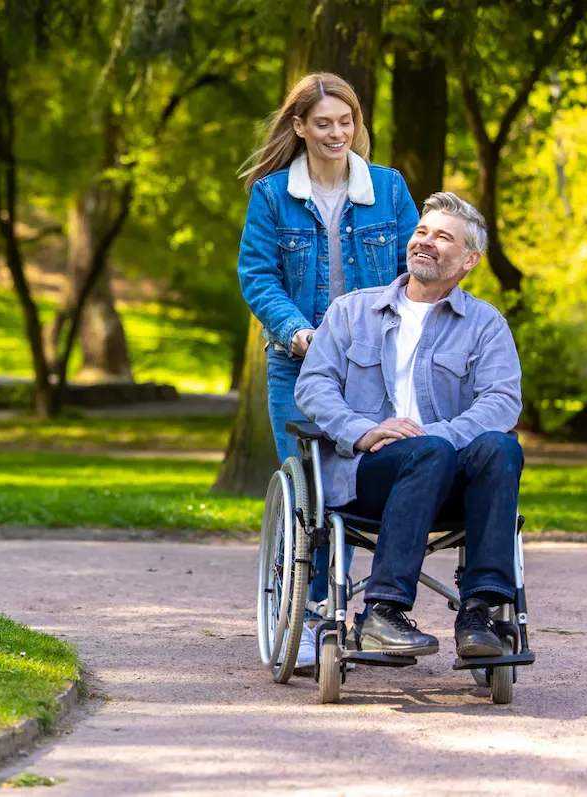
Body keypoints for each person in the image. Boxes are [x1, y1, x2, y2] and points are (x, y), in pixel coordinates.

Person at [237, 72, 419, 669]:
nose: (336, 132)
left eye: (346, 121)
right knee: (312, 495)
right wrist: (297, 331)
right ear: (300, 127)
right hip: (298, 364)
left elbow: (412, 267)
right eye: (323, 123)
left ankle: (372, 610)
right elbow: (257, 276)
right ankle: (312, 615)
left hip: (376, 366)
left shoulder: (388, 189)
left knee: (368, 481)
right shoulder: (272, 196)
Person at [294, 191, 523, 658]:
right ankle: (383, 611)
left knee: (501, 448)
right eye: (421, 231)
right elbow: (314, 385)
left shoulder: (485, 324)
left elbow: (502, 401)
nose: (425, 241)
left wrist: (439, 436)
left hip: (451, 476)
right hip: (370, 473)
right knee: (428, 451)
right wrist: (362, 431)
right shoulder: (351, 311)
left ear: (470, 259)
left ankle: (479, 612)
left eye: (443, 237)